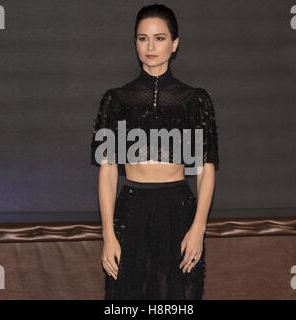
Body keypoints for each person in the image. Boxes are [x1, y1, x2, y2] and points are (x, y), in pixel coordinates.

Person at [90, 4, 219, 300]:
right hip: (131, 210)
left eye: (159, 38)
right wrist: (108, 234)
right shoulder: (116, 100)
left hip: (179, 208)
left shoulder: (194, 99)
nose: (150, 47)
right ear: (135, 42)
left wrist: (198, 228)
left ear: (174, 44)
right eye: (143, 38)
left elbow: (205, 169)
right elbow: (108, 171)